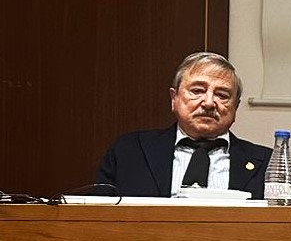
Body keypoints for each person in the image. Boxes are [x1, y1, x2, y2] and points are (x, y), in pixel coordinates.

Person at [96, 52, 281, 198]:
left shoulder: (268, 164)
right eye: (197, 91)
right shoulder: (129, 151)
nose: (209, 103)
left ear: (235, 107)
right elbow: (97, 217)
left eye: (222, 95)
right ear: (174, 98)